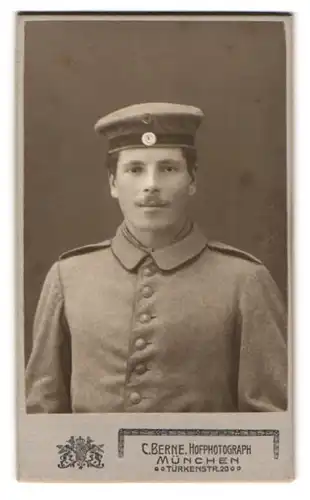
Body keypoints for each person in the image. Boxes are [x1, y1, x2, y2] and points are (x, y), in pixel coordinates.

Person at [25, 102, 287, 413]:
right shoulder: (67, 277)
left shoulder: (244, 280)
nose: (151, 184)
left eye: (168, 168)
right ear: (112, 183)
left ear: (192, 180)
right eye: (134, 169)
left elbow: (273, 427)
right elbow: (40, 416)